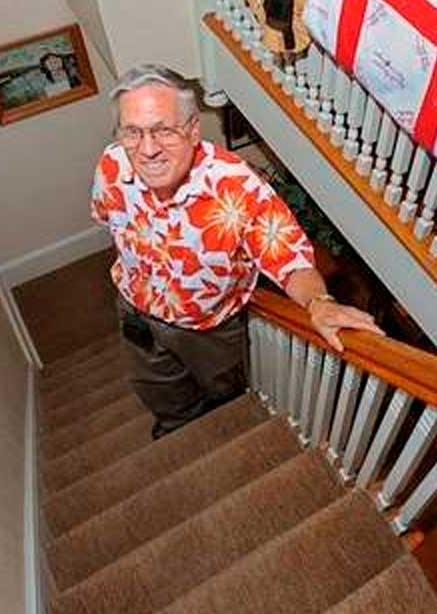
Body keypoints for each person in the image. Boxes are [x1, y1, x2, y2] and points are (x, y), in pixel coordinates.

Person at [90, 64, 383, 440]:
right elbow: (108, 221)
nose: (148, 149)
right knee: (160, 394)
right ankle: (176, 435)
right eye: (133, 132)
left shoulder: (237, 186)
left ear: (193, 129)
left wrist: (319, 302)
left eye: (164, 129)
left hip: (209, 330)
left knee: (223, 398)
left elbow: (289, 258)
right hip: (135, 310)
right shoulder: (111, 166)